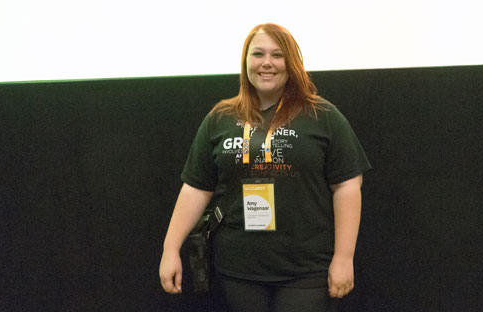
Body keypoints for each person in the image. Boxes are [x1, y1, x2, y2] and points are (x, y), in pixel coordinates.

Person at [159, 23, 371, 312]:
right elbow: (197, 187)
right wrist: (170, 249)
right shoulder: (220, 117)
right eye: (258, 54)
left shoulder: (322, 116)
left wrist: (344, 258)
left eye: (277, 55)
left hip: (306, 269)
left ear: (291, 63)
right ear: (246, 61)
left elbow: (347, 186)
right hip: (238, 268)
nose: (267, 63)